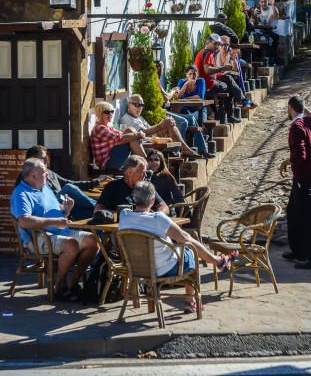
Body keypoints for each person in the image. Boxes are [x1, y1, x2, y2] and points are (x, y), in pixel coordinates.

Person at [118, 181, 237, 313]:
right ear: (152, 200)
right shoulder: (158, 218)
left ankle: (219, 262)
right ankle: (190, 300)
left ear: (134, 198)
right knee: (189, 251)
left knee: (182, 251)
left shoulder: (124, 215)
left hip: (136, 270)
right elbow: (185, 238)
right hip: (163, 269)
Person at [11, 158, 98, 301]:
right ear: (34, 175)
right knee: (71, 245)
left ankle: (73, 283)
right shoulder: (21, 193)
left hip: (59, 232)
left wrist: (65, 211)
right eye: (44, 172)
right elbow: (24, 221)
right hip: (38, 237)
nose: (48, 175)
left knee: (93, 241)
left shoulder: (45, 188)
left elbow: (55, 213)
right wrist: (56, 221)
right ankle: (60, 287)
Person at [279, 95, 311, 270]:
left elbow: (300, 155)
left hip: (304, 176)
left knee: (306, 218)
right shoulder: (308, 122)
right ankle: (297, 250)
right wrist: (304, 108)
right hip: (307, 175)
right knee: (292, 211)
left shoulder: (297, 126)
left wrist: (286, 162)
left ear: (290, 108)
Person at [15, 145, 101, 221]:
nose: (46, 161)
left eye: (46, 158)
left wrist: (97, 183)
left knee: (90, 214)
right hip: (46, 209)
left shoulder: (50, 173)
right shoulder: (26, 176)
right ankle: (100, 208)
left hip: (64, 209)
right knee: (69, 188)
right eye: (43, 158)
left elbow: (71, 182)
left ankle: (101, 231)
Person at [120, 94, 200, 159]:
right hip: (146, 145)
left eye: (142, 105)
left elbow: (149, 129)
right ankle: (182, 150)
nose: (140, 107)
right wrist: (161, 125)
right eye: (136, 105)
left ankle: (181, 150)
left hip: (152, 140)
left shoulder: (138, 117)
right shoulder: (127, 119)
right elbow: (144, 133)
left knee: (170, 122)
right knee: (178, 122)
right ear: (129, 105)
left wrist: (163, 124)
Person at [94, 155, 169, 214]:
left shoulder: (145, 187)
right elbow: (98, 209)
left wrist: (157, 215)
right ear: (129, 172)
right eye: (142, 171)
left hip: (144, 227)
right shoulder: (113, 187)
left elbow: (163, 206)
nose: (145, 175)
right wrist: (119, 215)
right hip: (120, 230)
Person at [194, 34, 242, 124]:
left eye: (218, 44)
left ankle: (239, 98)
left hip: (207, 82)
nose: (217, 46)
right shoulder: (207, 53)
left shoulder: (205, 52)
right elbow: (208, 71)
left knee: (227, 78)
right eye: (215, 44)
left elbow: (211, 73)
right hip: (207, 84)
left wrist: (221, 72)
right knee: (228, 87)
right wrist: (223, 68)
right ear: (208, 42)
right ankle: (229, 113)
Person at [90, 101, 147, 171]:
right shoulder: (99, 128)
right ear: (99, 114)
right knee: (130, 135)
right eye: (107, 112)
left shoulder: (107, 127)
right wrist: (138, 135)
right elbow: (119, 139)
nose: (110, 114)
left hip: (111, 158)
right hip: (108, 163)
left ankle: (144, 162)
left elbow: (122, 134)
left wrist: (137, 137)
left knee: (130, 131)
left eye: (112, 111)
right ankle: (145, 162)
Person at [176, 64, 214, 159]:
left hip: (200, 110)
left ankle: (195, 148)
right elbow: (178, 96)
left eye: (194, 74)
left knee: (192, 120)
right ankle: (202, 148)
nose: (193, 76)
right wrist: (185, 85)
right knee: (189, 120)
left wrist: (185, 99)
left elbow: (199, 96)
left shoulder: (201, 81)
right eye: (190, 74)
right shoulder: (182, 82)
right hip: (186, 111)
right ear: (186, 75)